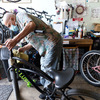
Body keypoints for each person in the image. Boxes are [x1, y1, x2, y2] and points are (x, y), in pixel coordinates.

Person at [3, 11, 63, 99]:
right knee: (43, 66)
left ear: (12, 19)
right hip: (45, 45)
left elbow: (31, 25)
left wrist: (15, 40)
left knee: (49, 67)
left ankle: (50, 93)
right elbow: (34, 39)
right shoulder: (20, 26)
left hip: (52, 42)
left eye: (9, 25)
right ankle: (44, 84)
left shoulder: (20, 16)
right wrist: (24, 48)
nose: (10, 28)